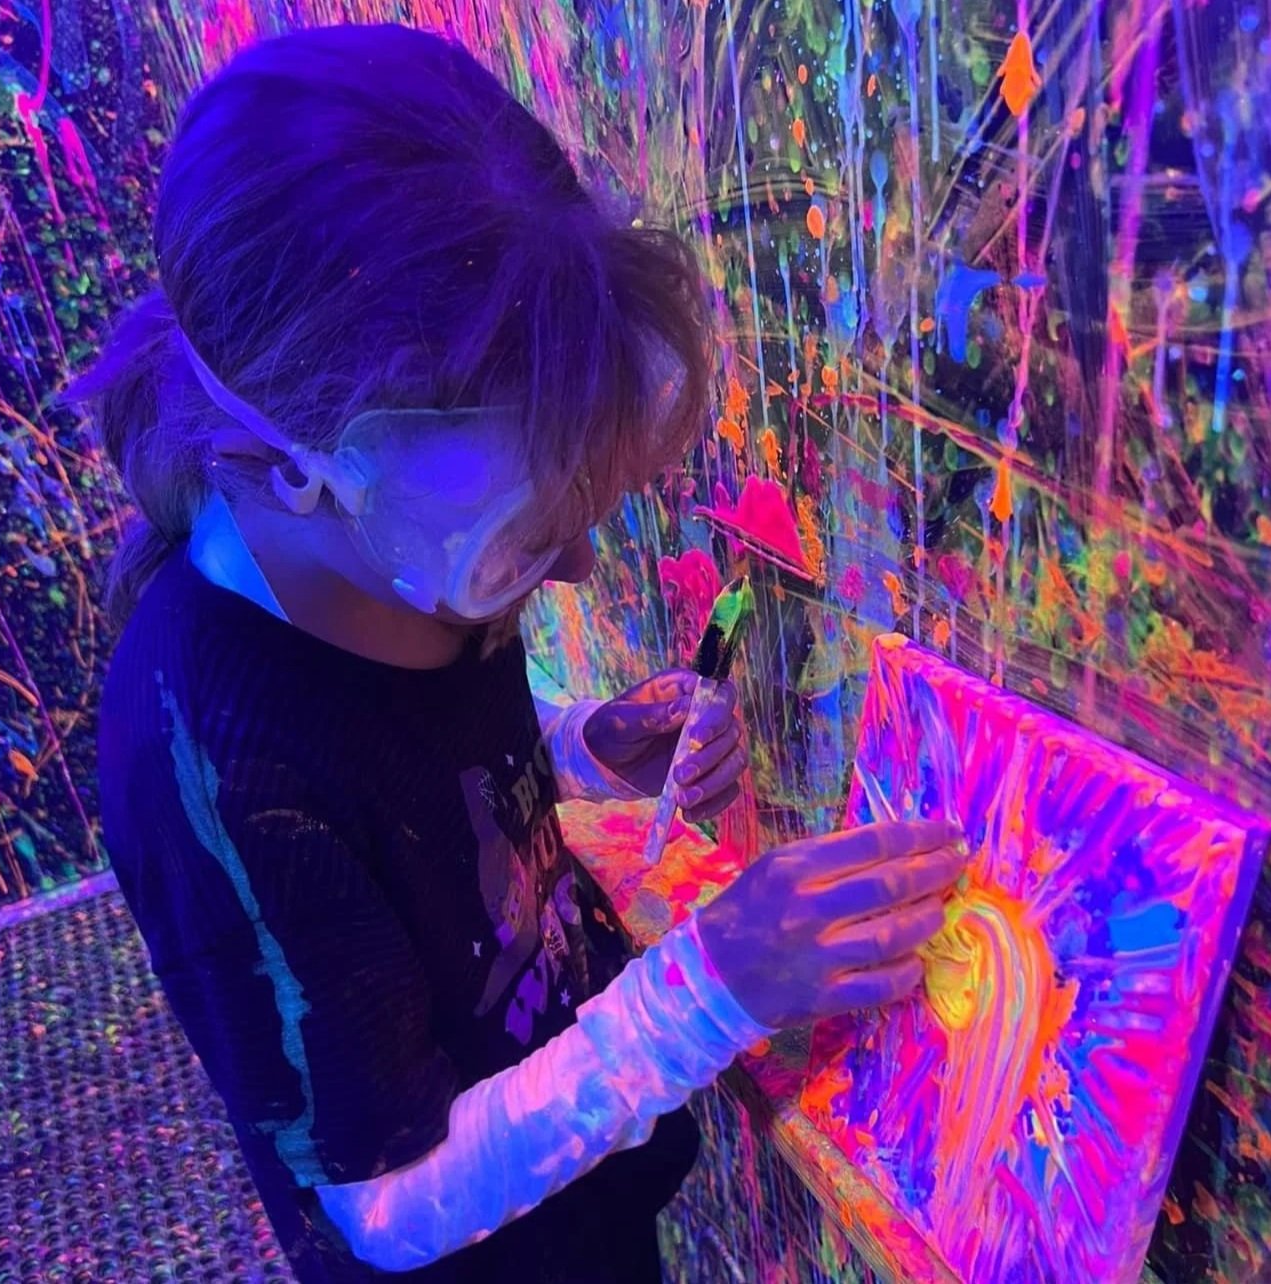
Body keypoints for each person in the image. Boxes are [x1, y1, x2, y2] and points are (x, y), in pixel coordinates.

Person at [82, 24, 968, 1284]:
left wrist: (583, 748)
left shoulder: (388, 553)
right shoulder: (211, 775)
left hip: (586, 1190)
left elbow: (419, 783)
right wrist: (709, 992)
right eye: (523, 541)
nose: (578, 571)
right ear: (303, 470)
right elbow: (386, 1207)